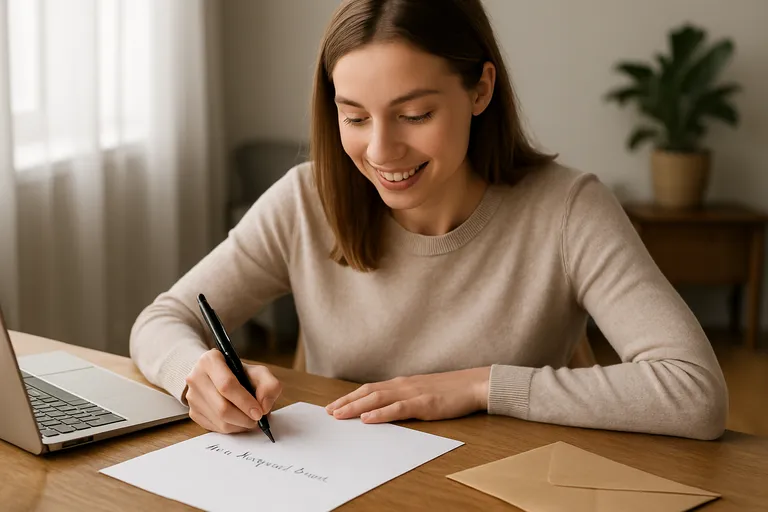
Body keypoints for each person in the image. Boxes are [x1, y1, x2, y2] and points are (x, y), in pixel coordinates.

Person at [130, 0, 728, 441]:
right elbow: (164, 319)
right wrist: (195, 377)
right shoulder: (306, 199)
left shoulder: (568, 209)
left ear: (480, 89)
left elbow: (693, 392)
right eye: (355, 117)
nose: (382, 151)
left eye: (414, 114)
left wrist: (477, 386)